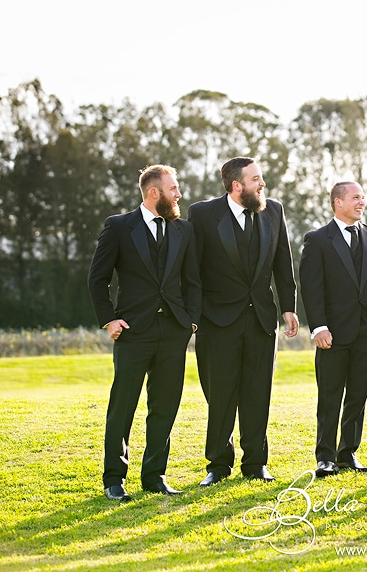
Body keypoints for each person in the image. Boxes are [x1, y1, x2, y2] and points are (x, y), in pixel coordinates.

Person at [87, 164, 201, 501]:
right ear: (154, 192)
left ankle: (154, 476)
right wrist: (109, 320)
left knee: (165, 406)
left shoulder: (184, 230)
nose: (178, 195)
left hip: (174, 332)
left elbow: (193, 281)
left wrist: (191, 321)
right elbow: (97, 278)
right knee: (123, 406)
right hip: (132, 332)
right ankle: (114, 479)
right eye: (173, 189)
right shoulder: (119, 227)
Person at [187, 156, 299, 485]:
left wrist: (288, 307)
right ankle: (218, 466)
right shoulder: (203, 214)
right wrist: (193, 316)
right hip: (216, 321)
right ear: (237, 186)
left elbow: (283, 262)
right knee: (220, 395)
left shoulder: (274, 210)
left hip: (262, 319)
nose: (262, 184)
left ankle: (255, 464)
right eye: (256, 179)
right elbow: (192, 269)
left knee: (257, 392)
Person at [299, 181, 367, 477]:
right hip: (333, 334)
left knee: (357, 396)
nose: (361, 202)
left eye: (363, 198)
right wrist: (318, 328)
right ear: (337, 202)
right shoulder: (317, 240)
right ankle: (325, 456)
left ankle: (348, 453)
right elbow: (311, 288)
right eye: (355, 197)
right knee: (329, 397)